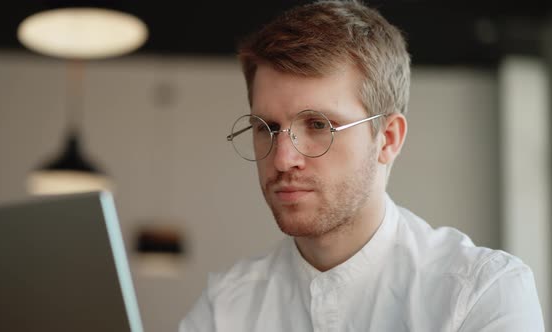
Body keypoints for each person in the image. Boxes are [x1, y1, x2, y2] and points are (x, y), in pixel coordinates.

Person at [180, 0, 545, 331]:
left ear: (387, 139)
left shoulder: (480, 294)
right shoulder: (225, 307)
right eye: (268, 128)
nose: (282, 159)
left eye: (318, 125)